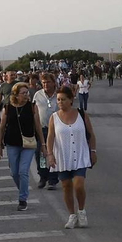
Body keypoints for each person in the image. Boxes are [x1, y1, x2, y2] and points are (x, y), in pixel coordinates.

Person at [46, 86, 96, 228]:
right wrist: (50, 155)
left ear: (70, 100)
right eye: (58, 100)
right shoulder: (54, 118)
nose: (60, 102)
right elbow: (50, 137)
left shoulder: (81, 114)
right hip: (62, 156)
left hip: (80, 155)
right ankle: (72, 215)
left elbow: (91, 134)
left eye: (63, 99)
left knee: (78, 185)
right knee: (66, 186)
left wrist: (93, 151)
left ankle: (81, 211)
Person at [0, 82, 39, 210]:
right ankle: (23, 189)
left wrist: (43, 143)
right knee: (14, 172)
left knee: (23, 171)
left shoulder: (32, 107)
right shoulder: (8, 108)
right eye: (23, 93)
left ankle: (22, 199)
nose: (26, 95)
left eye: (27, 93)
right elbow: (2, 127)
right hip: (12, 143)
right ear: (16, 94)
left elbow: (37, 127)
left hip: (29, 143)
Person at [32, 73, 60, 188]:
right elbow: (33, 112)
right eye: (43, 82)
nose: (45, 84)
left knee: (55, 154)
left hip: (57, 130)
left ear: (53, 83)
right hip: (42, 129)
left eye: (48, 82)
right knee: (41, 154)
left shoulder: (59, 95)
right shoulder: (37, 95)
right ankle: (43, 176)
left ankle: (53, 179)